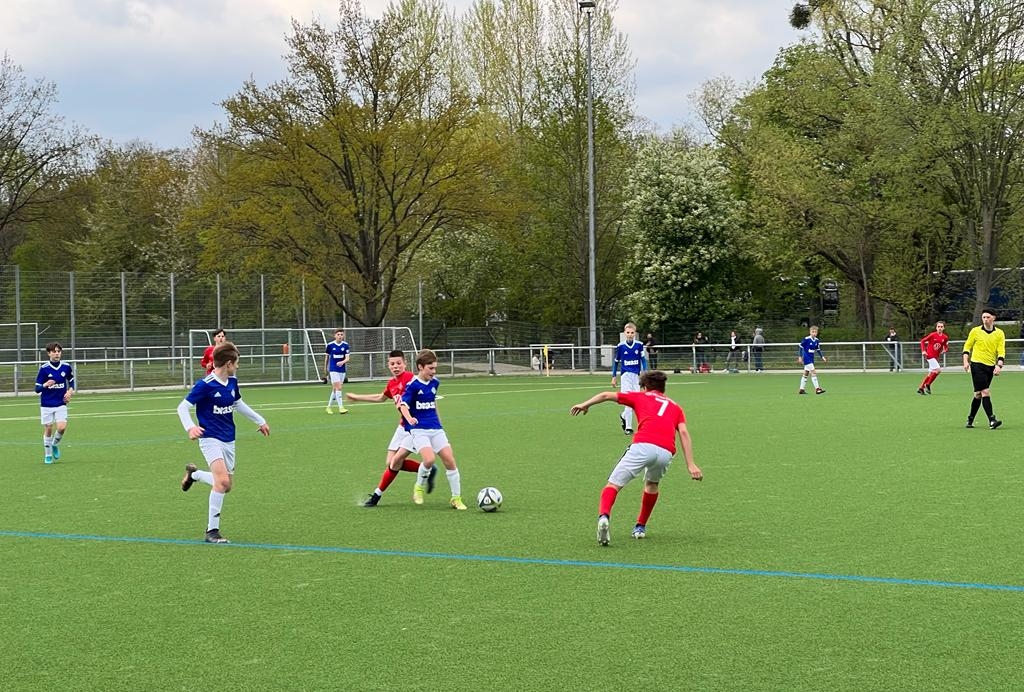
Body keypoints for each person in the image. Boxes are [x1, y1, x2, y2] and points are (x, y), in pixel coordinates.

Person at [570, 370, 702, 546]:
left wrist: (585, 404)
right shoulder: (675, 407)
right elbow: (683, 432)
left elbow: (606, 395)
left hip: (643, 446)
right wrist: (691, 464)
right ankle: (640, 527)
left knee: (613, 485)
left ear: (645, 387)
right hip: (665, 452)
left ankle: (604, 517)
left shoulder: (640, 397)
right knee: (652, 484)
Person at [177, 341, 270, 543]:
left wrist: (260, 420)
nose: (237, 366)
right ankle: (212, 531)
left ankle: (194, 475)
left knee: (226, 486)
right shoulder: (205, 385)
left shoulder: (232, 382)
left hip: (229, 438)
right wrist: (190, 427)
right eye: (236, 363)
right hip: (210, 438)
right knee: (222, 482)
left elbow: (238, 403)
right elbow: (182, 407)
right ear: (228, 363)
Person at [349, 350, 436, 507]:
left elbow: (425, 388)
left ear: (405, 364)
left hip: (415, 427)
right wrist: (357, 397)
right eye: (392, 364)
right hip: (402, 426)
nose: (396, 366)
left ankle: (376, 496)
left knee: (395, 462)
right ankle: (427, 469)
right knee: (390, 462)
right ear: (388, 365)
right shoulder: (392, 383)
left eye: (398, 363)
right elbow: (380, 398)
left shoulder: (410, 378)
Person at [392, 349, 467, 509]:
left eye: (435, 368)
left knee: (450, 461)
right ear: (420, 367)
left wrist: (440, 424)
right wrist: (409, 418)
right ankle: (418, 487)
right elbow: (403, 405)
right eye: (430, 368)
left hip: (435, 428)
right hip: (419, 429)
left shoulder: (435, 383)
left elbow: (433, 403)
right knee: (429, 459)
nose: (434, 371)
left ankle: (456, 498)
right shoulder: (412, 385)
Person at [962, 309, 1005, 429]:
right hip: (977, 365)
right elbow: (967, 346)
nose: (985, 319)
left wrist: (999, 365)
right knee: (985, 391)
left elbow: (1001, 350)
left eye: (988, 317)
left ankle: (970, 419)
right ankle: (992, 420)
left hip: (990, 366)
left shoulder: (999, 333)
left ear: (993, 318)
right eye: (983, 317)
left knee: (978, 394)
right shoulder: (975, 331)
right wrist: (965, 361)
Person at [35, 342, 75, 465]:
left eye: (58, 351)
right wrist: (46, 384)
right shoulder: (44, 369)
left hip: (61, 403)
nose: (57, 353)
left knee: (62, 427)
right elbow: (37, 389)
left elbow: (71, 381)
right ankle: (48, 455)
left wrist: (70, 392)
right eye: (54, 351)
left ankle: (55, 444)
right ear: (49, 353)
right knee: (48, 428)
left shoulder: (66, 367)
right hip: (46, 403)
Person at [611, 321, 647, 435]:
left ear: (635, 333)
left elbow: (643, 360)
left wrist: (644, 373)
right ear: (625, 333)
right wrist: (614, 376)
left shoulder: (639, 345)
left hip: (636, 376)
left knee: (636, 401)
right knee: (628, 401)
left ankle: (623, 416)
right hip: (625, 376)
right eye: (628, 332)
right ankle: (629, 427)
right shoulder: (621, 346)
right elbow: (616, 362)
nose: (630, 334)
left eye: (632, 332)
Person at [917, 321, 949, 395]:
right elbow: (922, 341)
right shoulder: (932, 335)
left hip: (936, 357)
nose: (940, 328)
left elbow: (945, 345)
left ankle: (921, 388)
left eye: (941, 327)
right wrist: (923, 351)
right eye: (938, 326)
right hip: (929, 355)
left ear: (944, 328)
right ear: (936, 328)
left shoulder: (945, 337)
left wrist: (945, 349)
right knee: (938, 370)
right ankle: (928, 384)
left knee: (931, 373)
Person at [324, 329, 350, 414]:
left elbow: (347, 358)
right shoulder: (330, 345)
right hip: (333, 369)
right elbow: (327, 358)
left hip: (342, 369)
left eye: (341, 334)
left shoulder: (345, 345)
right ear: (335, 335)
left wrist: (342, 362)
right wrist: (325, 368)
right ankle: (341, 408)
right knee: (338, 387)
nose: (340, 336)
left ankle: (328, 407)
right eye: (338, 334)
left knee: (335, 389)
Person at [797, 325, 827, 394]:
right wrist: (800, 356)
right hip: (806, 357)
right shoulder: (806, 339)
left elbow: (818, 349)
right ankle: (817, 389)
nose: (814, 333)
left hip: (811, 358)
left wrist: (822, 357)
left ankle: (801, 389)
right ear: (810, 332)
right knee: (813, 372)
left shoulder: (817, 340)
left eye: (815, 332)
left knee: (806, 373)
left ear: (817, 333)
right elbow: (800, 347)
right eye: (812, 331)